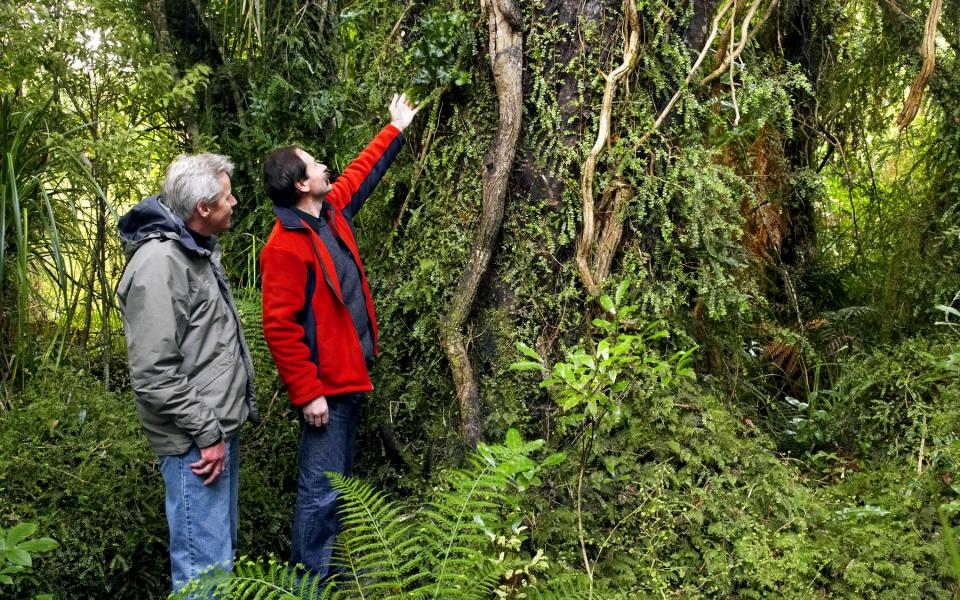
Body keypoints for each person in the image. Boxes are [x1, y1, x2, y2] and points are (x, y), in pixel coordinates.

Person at [259, 93, 421, 580]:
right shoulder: (283, 247)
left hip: (350, 376)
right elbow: (279, 328)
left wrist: (395, 128)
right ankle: (308, 586)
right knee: (321, 490)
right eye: (314, 163)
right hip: (325, 389)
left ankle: (323, 578)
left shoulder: (328, 213)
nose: (325, 166)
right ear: (300, 183)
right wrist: (308, 394)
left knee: (339, 486)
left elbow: (359, 173)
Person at [117, 153, 258, 595]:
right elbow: (153, 373)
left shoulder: (194, 250)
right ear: (202, 209)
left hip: (212, 433)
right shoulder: (160, 263)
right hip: (194, 444)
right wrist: (207, 434)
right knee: (205, 574)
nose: (234, 201)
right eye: (226, 195)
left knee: (216, 562)